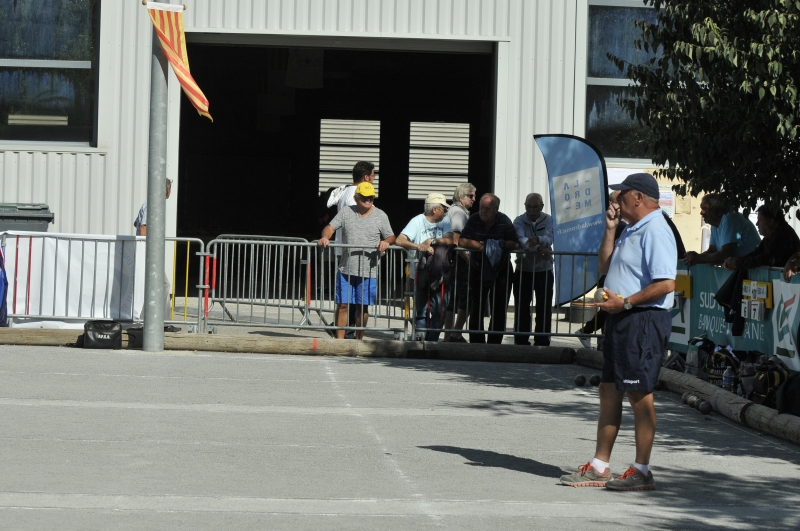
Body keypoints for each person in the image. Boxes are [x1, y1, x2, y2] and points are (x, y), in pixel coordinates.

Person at [561, 173, 676, 491]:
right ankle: (600, 466)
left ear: (638, 197)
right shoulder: (631, 228)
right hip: (622, 320)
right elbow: (604, 267)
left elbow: (666, 283)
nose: (615, 201)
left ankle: (642, 470)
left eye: (620, 195)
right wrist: (610, 229)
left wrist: (625, 302)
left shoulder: (655, 229)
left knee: (639, 394)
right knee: (609, 390)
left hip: (642, 320)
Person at [318, 181, 395, 339]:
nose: (368, 200)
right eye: (364, 197)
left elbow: (391, 236)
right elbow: (330, 227)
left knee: (362, 307)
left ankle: (358, 343)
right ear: (356, 198)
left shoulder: (381, 215)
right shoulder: (346, 212)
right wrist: (325, 237)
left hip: (368, 270)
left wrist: (386, 242)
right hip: (345, 268)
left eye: (371, 197)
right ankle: (340, 343)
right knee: (342, 305)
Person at [459, 193, 520, 344]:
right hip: (478, 268)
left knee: (499, 309)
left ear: (496, 210)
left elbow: (515, 243)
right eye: (482, 207)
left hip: (501, 270)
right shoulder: (474, 219)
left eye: (487, 208)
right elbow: (462, 241)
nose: (483, 211)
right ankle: (477, 344)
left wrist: (497, 244)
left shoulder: (504, 220)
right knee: (476, 307)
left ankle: (494, 345)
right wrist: (481, 246)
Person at [326, 161, 376, 338]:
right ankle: (345, 331)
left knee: (350, 299)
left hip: (345, 248)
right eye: (373, 175)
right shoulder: (355, 196)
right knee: (351, 299)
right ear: (366, 177)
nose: (374, 178)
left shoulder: (346, 193)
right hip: (350, 251)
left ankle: (343, 329)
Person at [395, 193, 455, 341]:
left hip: (440, 273)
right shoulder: (417, 221)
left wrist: (432, 241)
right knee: (420, 310)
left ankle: (431, 342)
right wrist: (419, 247)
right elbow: (399, 240)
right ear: (435, 209)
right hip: (418, 272)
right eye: (443, 208)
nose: (445, 212)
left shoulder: (445, 220)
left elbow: (450, 240)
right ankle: (420, 341)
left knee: (439, 310)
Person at [512, 193, 554, 346]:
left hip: (544, 270)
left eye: (535, 207)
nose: (531, 210)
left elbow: (550, 238)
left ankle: (542, 340)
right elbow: (522, 241)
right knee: (522, 307)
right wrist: (539, 248)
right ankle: (521, 340)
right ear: (525, 206)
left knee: (544, 307)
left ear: (541, 207)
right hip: (524, 269)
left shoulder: (549, 220)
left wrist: (538, 240)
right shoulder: (519, 221)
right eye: (529, 207)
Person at [134, 178, 176, 329]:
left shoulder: (149, 203)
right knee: (163, 285)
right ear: (166, 190)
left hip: (147, 252)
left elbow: (136, 223)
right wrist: (146, 248)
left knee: (150, 286)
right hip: (149, 253)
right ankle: (162, 324)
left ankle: (143, 322)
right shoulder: (153, 204)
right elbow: (142, 227)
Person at [682, 193, 760, 266]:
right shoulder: (715, 223)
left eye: (705, 209)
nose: (701, 213)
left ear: (717, 210)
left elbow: (725, 255)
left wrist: (698, 258)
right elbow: (712, 251)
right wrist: (692, 259)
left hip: (753, 268)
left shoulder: (729, 218)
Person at [723, 204, 800, 271]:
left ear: (770, 222)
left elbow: (767, 259)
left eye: (759, 220)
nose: (757, 224)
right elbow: (757, 253)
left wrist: (738, 263)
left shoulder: (783, 235)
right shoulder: (770, 236)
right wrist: (737, 262)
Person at [444, 183, 476, 342]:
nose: (474, 199)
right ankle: (455, 334)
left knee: (453, 299)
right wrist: (469, 259)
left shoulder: (454, 210)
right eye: (470, 196)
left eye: (474, 195)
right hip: (459, 261)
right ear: (461, 196)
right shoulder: (459, 212)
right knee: (466, 297)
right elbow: (456, 241)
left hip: (454, 260)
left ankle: (449, 335)